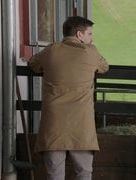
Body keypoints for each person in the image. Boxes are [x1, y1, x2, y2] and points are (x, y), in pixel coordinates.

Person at [28, 16, 109, 180]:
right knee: (84, 173)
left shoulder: (51, 50)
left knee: (54, 174)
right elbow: (104, 67)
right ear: (79, 34)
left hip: (54, 124)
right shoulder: (91, 51)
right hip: (81, 125)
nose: (91, 38)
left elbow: (33, 64)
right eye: (89, 34)